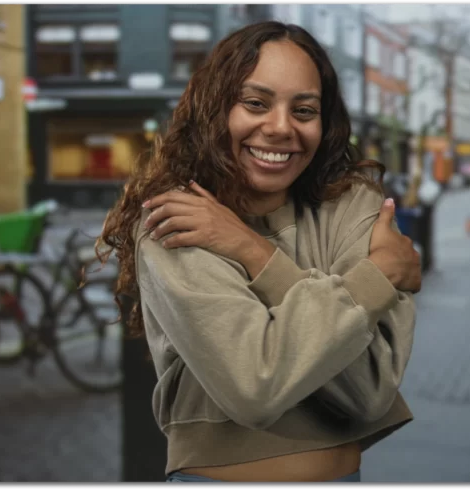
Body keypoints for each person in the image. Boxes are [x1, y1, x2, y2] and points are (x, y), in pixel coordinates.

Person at [98, 21, 420, 483]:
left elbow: (370, 390)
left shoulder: (354, 208)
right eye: (255, 103)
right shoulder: (174, 220)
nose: (280, 127)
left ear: (323, 124)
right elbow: (254, 386)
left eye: (304, 110)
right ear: (214, 110)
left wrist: (254, 254)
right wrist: (372, 280)